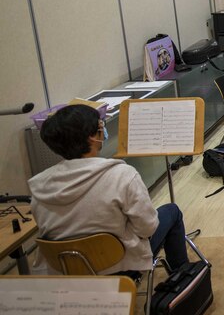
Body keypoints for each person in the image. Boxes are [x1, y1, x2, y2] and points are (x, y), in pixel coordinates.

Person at [29, 104, 190, 275]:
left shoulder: (40, 185)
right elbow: (147, 228)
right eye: (101, 126)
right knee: (172, 211)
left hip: (67, 270)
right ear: (92, 137)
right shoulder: (122, 175)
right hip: (120, 266)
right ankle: (182, 278)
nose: (103, 130)